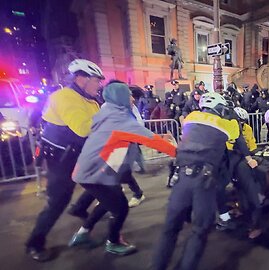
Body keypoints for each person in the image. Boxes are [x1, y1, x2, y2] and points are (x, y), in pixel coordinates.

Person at [68, 81, 176, 256]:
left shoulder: (107, 112)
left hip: (97, 170)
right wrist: (178, 152)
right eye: (128, 94)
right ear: (120, 97)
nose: (132, 98)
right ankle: (113, 242)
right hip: (95, 173)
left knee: (107, 202)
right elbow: (149, 139)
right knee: (120, 208)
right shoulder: (120, 119)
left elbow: (121, 140)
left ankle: (82, 234)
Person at [152, 92, 256, 270]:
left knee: (170, 229)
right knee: (200, 230)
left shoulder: (191, 118)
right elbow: (237, 138)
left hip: (181, 177)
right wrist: (232, 116)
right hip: (204, 180)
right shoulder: (225, 125)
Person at [25, 59, 104, 261]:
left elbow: (99, 128)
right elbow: (84, 128)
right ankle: (35, 243)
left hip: (80, 154)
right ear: (81, 78)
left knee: (106, 186)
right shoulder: (64, 97)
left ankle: (80, 214)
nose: (99, 84)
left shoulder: (90, 100)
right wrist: (107, 118)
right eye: (96, 80)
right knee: (57, 202)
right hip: (60, 158)